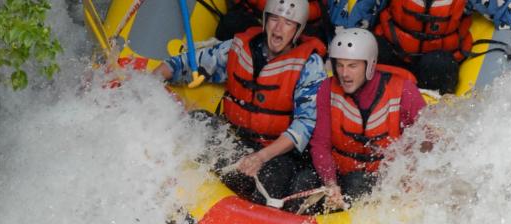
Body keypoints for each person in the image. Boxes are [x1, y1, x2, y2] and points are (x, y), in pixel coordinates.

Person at [155, 0, 327, 207]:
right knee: (198, 122)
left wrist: (261, 157)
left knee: (276, 175)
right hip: (237, 143)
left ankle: (252, 221)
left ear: (298, 30)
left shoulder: (310, 65)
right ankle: (172, 191)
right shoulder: (238, 47)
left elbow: (305, 125)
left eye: (288, 23)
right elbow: (188, 63)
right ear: (265, 21)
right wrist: (150, 81)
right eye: (274, 19)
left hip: (275, 154)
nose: (278, 28)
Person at [303, 28, 427, 210]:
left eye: (352, 66)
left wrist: (410, 177)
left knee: (356, 183)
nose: (344, 74)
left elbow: (427, 139)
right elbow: (321, 144)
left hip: (382, 181)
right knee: (303, 181)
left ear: (369, 65)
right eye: (340, 65)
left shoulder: (404, 91)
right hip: (339, 173)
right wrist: (330, 183)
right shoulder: (327, 89)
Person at [373, 0, 511, 94]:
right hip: (395, 51)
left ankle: (432, 103)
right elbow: (364, 11)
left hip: (435, 63)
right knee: (371, 45)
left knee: (439, 63)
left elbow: (503, 7)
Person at [215, 0, 326, 41]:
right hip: (256, 18)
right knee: (232, 23)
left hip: (297, 24)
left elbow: (319, 7)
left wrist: (295, 11)